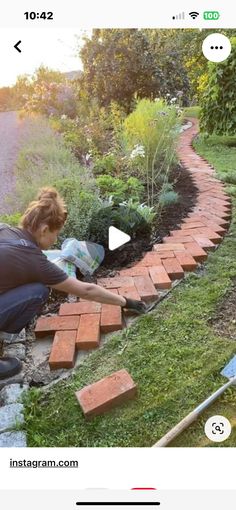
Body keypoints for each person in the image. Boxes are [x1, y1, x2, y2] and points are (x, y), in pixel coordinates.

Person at [0, 187, 146, 380]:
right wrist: (128, 302)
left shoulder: (5, 230)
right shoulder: (33, 260)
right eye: (57, 233)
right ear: (44, 230)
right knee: (38, 291)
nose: (57, 239)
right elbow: (86, 290)